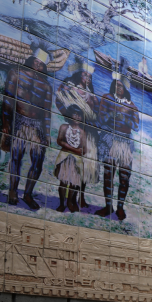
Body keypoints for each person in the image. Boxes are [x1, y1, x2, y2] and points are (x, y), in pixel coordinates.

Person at [2, 47, 52, 209]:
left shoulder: (46, 86)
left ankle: (28, 194)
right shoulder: (15, 74)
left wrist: (47, 132)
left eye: (41, 64)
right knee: (16, 158)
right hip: (20, 122)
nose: (38, 65)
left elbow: (46, 111)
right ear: (31, 60)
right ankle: (13, 191)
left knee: (37, 162)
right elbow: (8, 99)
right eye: (36, 62)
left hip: (37, 125)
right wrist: (6, 124)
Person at [55, 57, 99, 208]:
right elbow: (59, 100)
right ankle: (68, 199)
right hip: (75, 131)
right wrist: (68, 118)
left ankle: (80, 197)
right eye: (85, 75)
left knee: (86, 168)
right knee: (71, 166)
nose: (87, 78)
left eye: (90, 77)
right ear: (79, 74)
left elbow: (96, 113)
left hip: (89, 134)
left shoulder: (91, 93)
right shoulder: (69, 88)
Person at [95, 70, 140, 221]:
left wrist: (124, 119)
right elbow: (100, 119)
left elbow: (136, 126)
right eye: (116, 84)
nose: (118, 88)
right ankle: (108, 206)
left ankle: (120, 208)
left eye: (121, 86)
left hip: (125, 143)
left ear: (126, 89)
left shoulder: (132, 106)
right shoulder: (106, 98)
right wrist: (111, 115)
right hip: (110, 140)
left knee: (124, 177)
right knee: (108, 175)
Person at [53, 105, 87, 213]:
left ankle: (69, 202)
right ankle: (62, 203)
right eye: (74, 114)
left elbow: (83, 150)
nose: (77, 117)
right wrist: (72, 148)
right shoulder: (64, 127)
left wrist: (72, 149)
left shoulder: (82, 132)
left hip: (76, 161)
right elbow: (59, 141)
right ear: (69, 115)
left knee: (73, 183)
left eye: (79, 115)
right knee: (63, 182)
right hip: (65, 159)